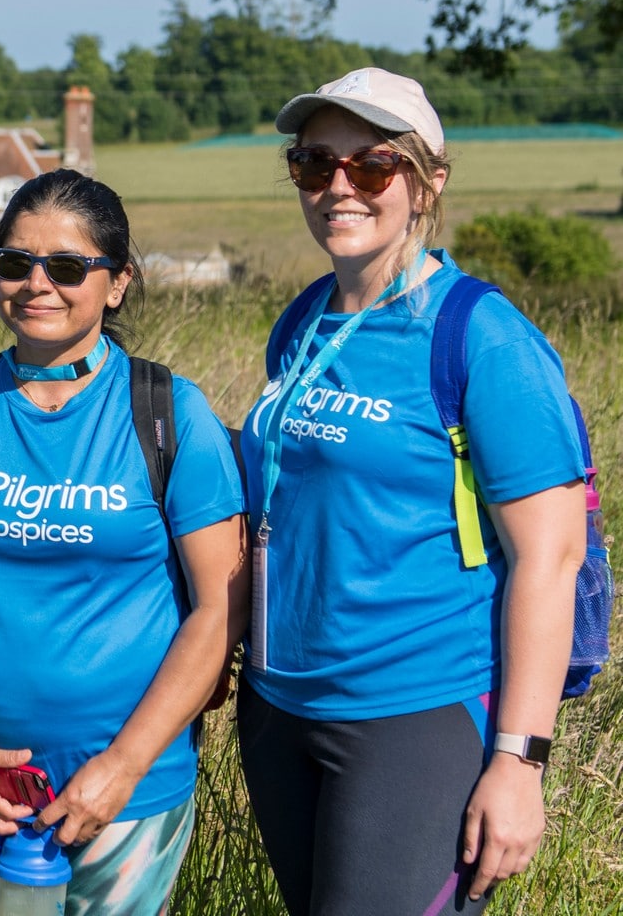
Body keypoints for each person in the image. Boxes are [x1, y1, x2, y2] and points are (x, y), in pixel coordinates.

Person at [237, 68, 588, 915]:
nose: (339, 188)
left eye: (373, 166)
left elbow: (551, 555)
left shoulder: (482, 337)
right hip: (280, 709)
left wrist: (519, 760)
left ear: (428, 181)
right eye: (315, 164)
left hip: (414, 716)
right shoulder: (305, 318)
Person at [0, 168, 246, 916]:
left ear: (116, 283)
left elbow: (220, 607)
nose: (36, 284)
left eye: (68, 266)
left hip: (128, 794)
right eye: (14, 263)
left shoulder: (169, 413)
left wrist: (123, 765)